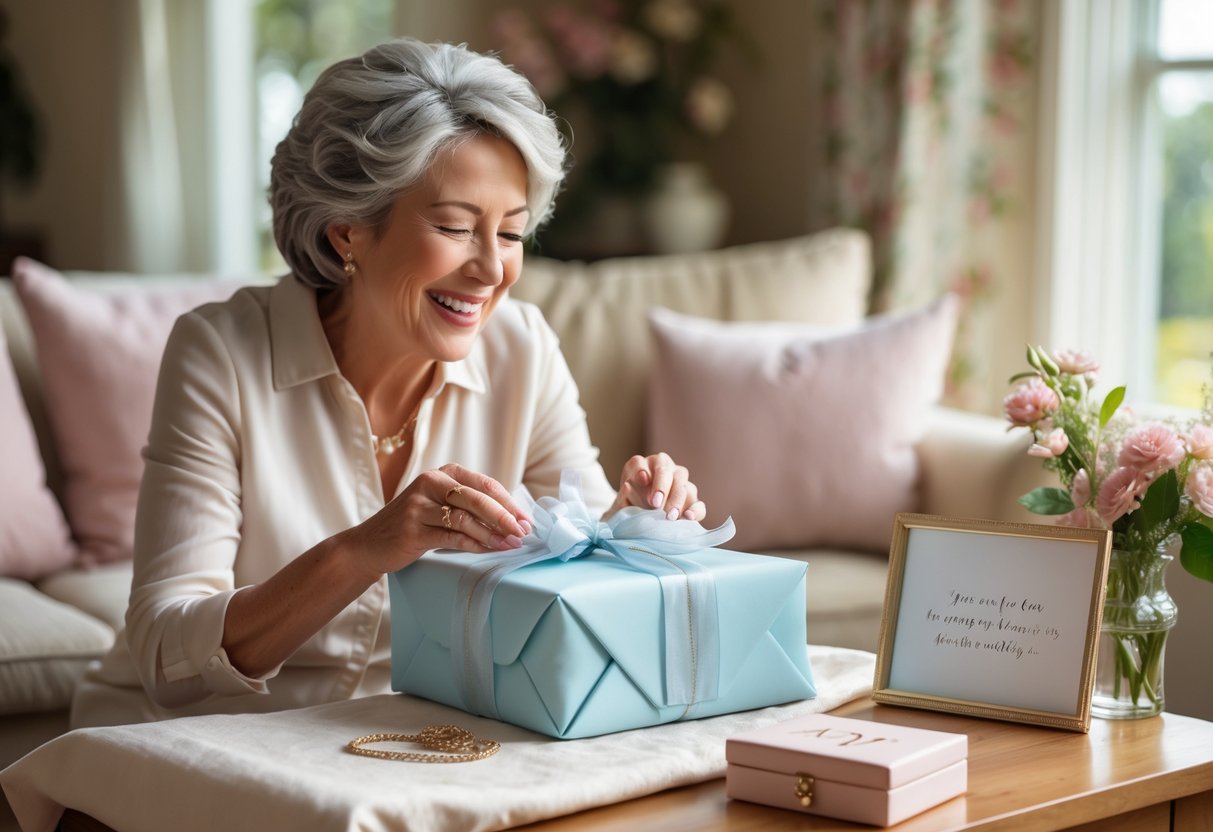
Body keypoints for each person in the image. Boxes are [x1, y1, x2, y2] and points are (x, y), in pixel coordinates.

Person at [70, 38, 706, 728]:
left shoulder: (522, 348)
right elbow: (168, 658)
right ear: (349, 233)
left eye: (513, 234)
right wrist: (367, 548)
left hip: (412, 743)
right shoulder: (220, 353)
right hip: (202, 742)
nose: (492, 270)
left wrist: (637, 525)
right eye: (456, 228)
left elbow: (579, 571)